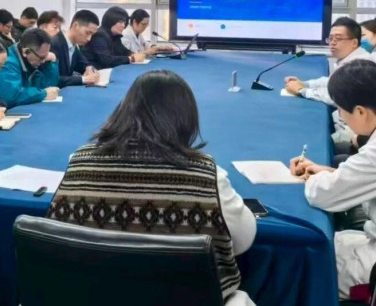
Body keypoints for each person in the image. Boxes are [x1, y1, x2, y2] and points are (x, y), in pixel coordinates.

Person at [48, 70, 256, 306]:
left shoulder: (78, 162)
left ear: (123, 109)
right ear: (187, 118)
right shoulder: (207, 175)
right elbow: (243, 240)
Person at [290, 60, 376, 300]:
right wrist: (329, 172)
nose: (342, 117)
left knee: (301, 262)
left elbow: (323, 195)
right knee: (324, 242)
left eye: (341, 110)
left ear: (360, 111)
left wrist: (313, 177)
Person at [285, 17, 376, 105]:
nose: (332, 43)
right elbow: (332, 82)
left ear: (354, 43)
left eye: (338, 38)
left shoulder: (359, 66)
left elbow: (338, 96)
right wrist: (306, 84)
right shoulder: (350, 58)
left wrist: (302, 90)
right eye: (331, 38)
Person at [0, 28, 59, 107]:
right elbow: (11, 97)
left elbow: (50, 88)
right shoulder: (7, 63)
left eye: (46, 55)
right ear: (26, 51)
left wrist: (52, 62)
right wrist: (43, 94)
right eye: (41, 57)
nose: (43, 61)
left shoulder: (33, 60)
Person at [50, 10, 100, 87]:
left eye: (92, 35)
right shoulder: (54, 44)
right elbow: (52, 79)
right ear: (76, 26)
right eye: (87, 33)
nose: (89, 39)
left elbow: (83, 63)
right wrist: (83, 79)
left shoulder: (74, 45)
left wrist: (88, 67)